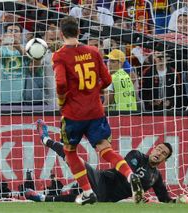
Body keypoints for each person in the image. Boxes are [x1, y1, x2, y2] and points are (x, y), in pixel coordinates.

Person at [51, 16, 141, 205]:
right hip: (96, 112)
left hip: (73, 114)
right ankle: (129, 174)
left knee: (70, 151)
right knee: (104, 148)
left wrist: (61, 100)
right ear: (79, 32)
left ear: (61, 33)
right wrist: (93, 91)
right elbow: (107, 80)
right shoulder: (93, 51)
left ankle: (88, 191)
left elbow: (60, 83)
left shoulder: (59, 55)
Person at [32, 119, 188, 204]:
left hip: (109, 199)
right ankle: (46, 139)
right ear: (153, 149)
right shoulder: (137, 156)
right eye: (159, 149)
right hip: (103, 180)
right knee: (74, 158)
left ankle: (42, 198)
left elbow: (164, 199)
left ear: (165, 159)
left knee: (81, 198)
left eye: (164, 153)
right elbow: (126, 169)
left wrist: (178, 201)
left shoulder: (155, 177)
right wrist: (139, 193)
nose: (159, 153)